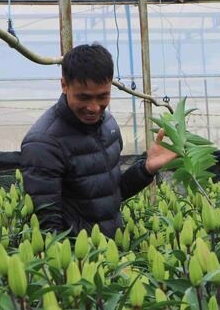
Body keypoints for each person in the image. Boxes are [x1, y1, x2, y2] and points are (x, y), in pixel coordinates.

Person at [20, 43, 177, 236]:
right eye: (84, 97)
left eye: (103, 96)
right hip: (78, 252)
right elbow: (47, 228)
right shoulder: (43, 143)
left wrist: (146, 168)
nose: (94, 108)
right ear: (64, 85)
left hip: (111, 247)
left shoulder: (108, 125)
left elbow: (110, 194)